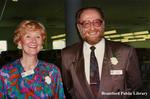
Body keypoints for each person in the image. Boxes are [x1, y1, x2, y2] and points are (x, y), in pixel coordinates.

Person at [61, 7, 142, 99]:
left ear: (103, 24)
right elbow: (68, 88)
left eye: (97, 22)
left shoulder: (125, 52)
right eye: (86, 23)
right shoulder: (67, 54)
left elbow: (135, 85)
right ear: (79, 27)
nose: (92, 28)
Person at [0, 20, 65, 98]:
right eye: (28, 36)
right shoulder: (6, 72)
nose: (33, 41)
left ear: (42, 43)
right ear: (20, 42)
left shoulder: (52, 70)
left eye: (38, 37)